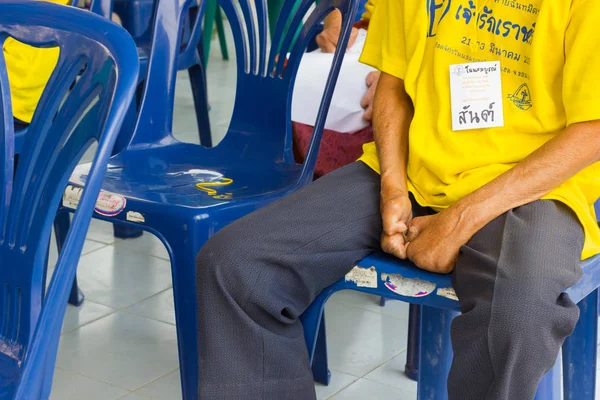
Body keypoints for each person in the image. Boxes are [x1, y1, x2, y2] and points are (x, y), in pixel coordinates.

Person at [196, 0, 600, 398]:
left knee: (517, 315)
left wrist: (460, 220)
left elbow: (593, 129)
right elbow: (393, 82)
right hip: (411, 167)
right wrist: (393, 188)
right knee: (236, 265)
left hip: (532, 187)